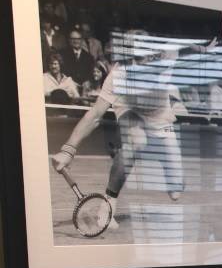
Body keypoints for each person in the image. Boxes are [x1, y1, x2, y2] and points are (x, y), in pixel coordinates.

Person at [49, 28, 202, 227]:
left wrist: (201, 48)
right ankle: (108, 204)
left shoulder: (167, 57)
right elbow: (95, 114)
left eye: (139, 57)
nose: (133, 64)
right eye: (130, 57)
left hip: (159, 116)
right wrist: (68, 150)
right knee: (135, 142)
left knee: (176, 191)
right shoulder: (118, 75)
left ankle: (166, 162)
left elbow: (183, 46)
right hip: (130, 108)